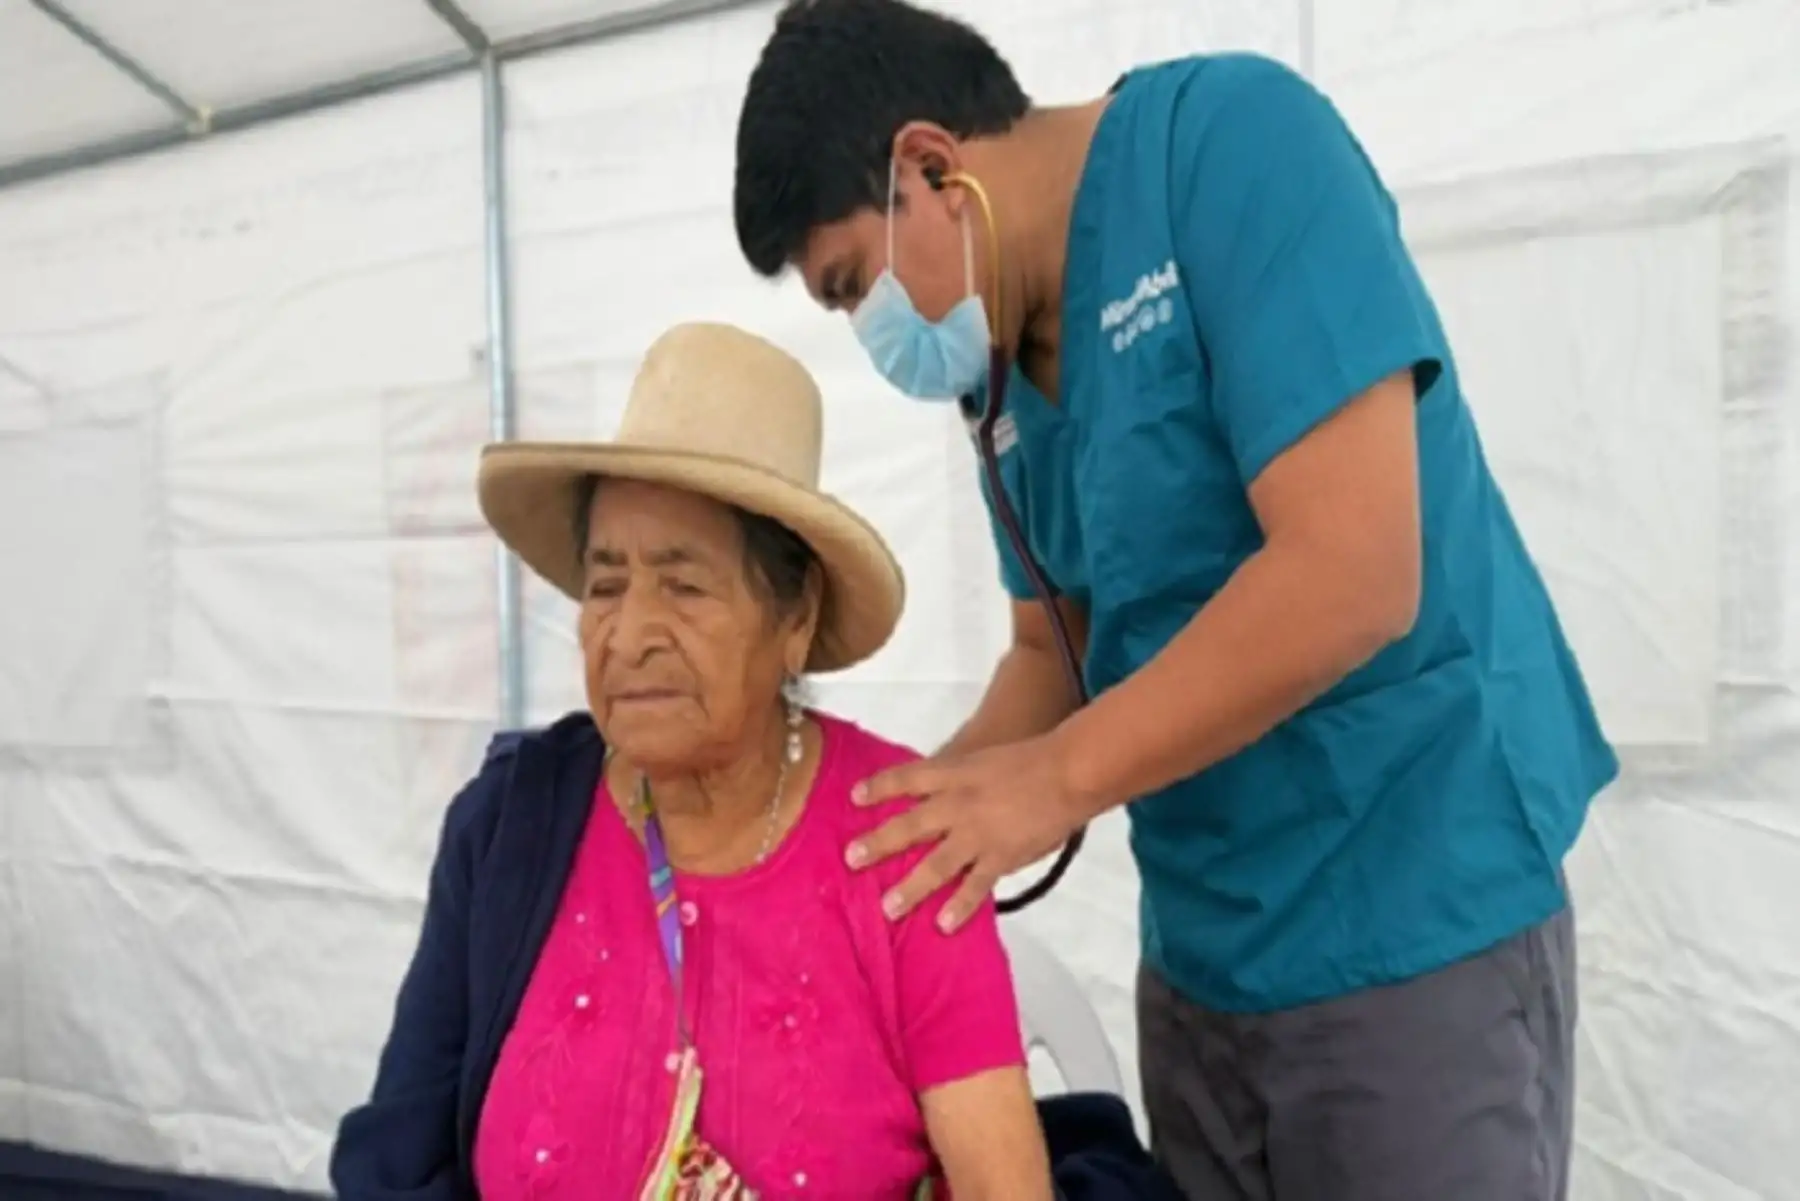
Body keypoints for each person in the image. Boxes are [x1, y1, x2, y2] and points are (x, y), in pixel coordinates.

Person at [730, 3, 1620, 1199]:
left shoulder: (1232, 148)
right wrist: (890, 833)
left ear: (932, 167)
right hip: (1204, 964)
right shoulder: (1000, 374)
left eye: (850, 288)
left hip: (1408, 920)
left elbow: (1354, 568)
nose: (867, 336)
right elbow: (1055, 653)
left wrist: (1048, 783)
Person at [329, 322, 1054, 1201]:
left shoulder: (905, 844)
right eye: (605, 584)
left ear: (794, 617)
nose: (629, 635)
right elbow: (398, 1161)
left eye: (683, 584)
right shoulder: (507, 830)